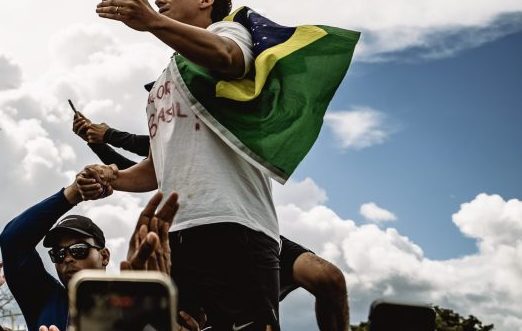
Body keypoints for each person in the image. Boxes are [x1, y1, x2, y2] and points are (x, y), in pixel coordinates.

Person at [79, 0, 281, 331]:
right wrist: (111, 178)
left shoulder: (230, 32)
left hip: (233, 225)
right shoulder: (165, 79)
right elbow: (156, 168)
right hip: (172, 237)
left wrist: (153, 22)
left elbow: (226, 56)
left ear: (206, 0)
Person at [72, 117, 350, 331]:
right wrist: (99, 150)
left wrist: (109, 135)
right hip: (191, 237)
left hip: (249, 228)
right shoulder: (166, 127)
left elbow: (173, 143)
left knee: (329, 278)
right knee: (193, 320)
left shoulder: (219, 108)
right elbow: (150, 164)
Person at [0, 175, 179, 331]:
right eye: (59, 254)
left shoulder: (132, 306)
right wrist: (71, 194)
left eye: (79, 250)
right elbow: (12, 241)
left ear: (104, 256)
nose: (67, 258)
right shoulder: (45, 300)